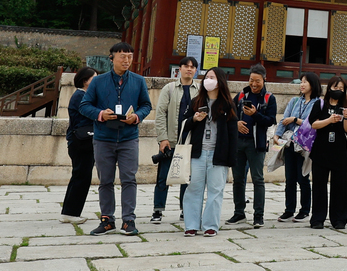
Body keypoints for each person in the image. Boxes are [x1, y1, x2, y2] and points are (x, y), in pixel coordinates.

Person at [79, 42, 152, 237]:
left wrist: (136, 116)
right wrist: (101, 114)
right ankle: (107, 220)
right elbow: (84, 105)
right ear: (111, 58)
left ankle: (128, 220)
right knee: (105, 181)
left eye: (129, 56)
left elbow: (146, 105)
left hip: (129, 137)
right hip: (104, 137)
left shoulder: (138, 81)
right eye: (122, 56)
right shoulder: (98, 81)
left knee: (129, 179)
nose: (126, 60)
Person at [181, 67, 237, 237]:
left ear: (220, 81)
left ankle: (210, 225)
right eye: (206, 77)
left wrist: (231, 159)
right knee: (193, 189)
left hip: (218, 155)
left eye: (212, 77)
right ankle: (191, 225)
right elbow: (183, 125)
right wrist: (194, 119)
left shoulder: (228, 104)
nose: (208, 80)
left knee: (215, 191)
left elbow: (233, 134)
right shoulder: (196, 101)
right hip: (197, 153)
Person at [228, 65, 277, 229]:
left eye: (257, 81)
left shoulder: (269, 98)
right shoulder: (241, 95)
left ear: (264, 80)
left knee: (258, 179)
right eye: (251, 80)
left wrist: (255, 114)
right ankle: (239, 212)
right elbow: (229, 112)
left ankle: (258, 215)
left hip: (257, 144)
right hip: (238, 142)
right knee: (238, 179)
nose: (254, 84)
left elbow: (270, 120)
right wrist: (237, 123)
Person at [152, 56, 200, 224]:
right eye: (186, 66)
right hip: (171, 140)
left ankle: (184, 209)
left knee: (187, 178)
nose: (189, 69)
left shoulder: (200, 90)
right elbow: (160, 114)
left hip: (190, 141)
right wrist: (163, 138)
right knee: (163, 177)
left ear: (196, 70)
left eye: (193, 67)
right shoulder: (170, 88)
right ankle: (158, 210)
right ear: (179, 68)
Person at [309, 75, 347, 229]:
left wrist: (346, 118)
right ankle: (317, 219)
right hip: (321, 150)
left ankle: (339, 219)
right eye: (336, 88)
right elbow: (313, 124)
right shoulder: (320, 105)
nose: (338, 91)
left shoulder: (346, 107)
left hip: (339, 151)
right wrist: (329, 120)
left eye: (341, 89)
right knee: (319, 186)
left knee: (340, 186)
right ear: (329, 88)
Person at [273, 75, 316, 222]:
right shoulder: (294, 101)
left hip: (305, 145)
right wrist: (277, 135)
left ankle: (304, 210)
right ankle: (289, 210)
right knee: (290, 178)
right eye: (301, 82)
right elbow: (284, 119)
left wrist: (295, 120)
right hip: (290, 143)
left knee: (303, 177)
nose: (302, 84)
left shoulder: (318, 103)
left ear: (313, 84)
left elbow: (312, 124)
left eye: (305, 81)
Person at [60, 67, 98, 225]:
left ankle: (69, 211)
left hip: (82, 141)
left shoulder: (84, 95)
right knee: (81, 176)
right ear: (85, 80)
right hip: (81, 142)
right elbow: (88, 116)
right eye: (94, 78)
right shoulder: (80, 96)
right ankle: (71, 212)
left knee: (80, 176)